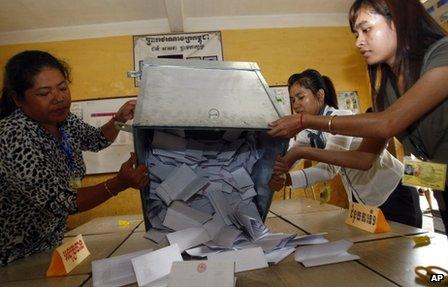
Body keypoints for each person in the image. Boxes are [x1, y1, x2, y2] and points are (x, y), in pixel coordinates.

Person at [268, 0, 448, 234]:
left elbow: (386, 123)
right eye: (356, 33)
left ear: (398, 20)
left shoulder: (442, 55)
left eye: (366, 29)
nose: (358, 41)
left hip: (396, 191)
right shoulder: (388, 91)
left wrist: (304, 125)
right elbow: (364, 159)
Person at [0, 50, 149, 265]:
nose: (59, 98)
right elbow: (60, 202)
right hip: (12, 255)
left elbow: (95, 139)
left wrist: (118, 119)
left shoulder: (64, 120)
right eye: (44, 93)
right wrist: (119, 183)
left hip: (49, 243)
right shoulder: (11, 135)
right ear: (17, 98)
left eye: (63, 88)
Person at [269, 69, 421, 227]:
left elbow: (328, 169)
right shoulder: (307, 132)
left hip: (393, 190)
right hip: (363, 199)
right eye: (292, 100)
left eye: (301, 97)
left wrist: (290, 176)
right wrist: (275, 171)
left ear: (320, 95)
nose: (296, 105)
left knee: (402, 246)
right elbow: (287, 160)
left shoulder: (341, 117)